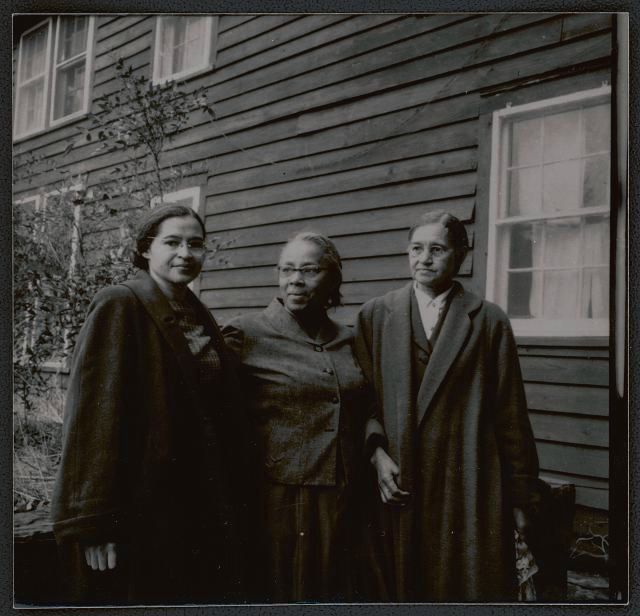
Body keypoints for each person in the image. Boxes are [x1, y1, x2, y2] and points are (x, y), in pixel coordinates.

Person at [51, 204, 247, 605]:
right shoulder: (120, 303)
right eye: (172, 242)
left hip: (188, 505)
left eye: (196, 244)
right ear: (145, 250)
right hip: (135, 508)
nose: (185, 253)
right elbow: (93, 417)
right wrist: (93, 523)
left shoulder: (197, 312)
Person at [354, 210, 544, 602]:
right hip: (400, 478)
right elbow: (361, 398)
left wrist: (522, 497)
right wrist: (375, 453)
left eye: (437, 250)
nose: (424, 259)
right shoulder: (376, 314)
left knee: (459, 583)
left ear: (460, 256)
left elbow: (511, 414)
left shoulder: (488, 321)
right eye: (416, 248)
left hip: (467, 481)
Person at [222, 232, 371, 602]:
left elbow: (367, 406)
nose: (295, 280)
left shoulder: (348, 338)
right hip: (282, 498)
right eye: (287, 270)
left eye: (309, 270)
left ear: (333, 278)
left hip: (347, 491)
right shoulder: (245, 333)